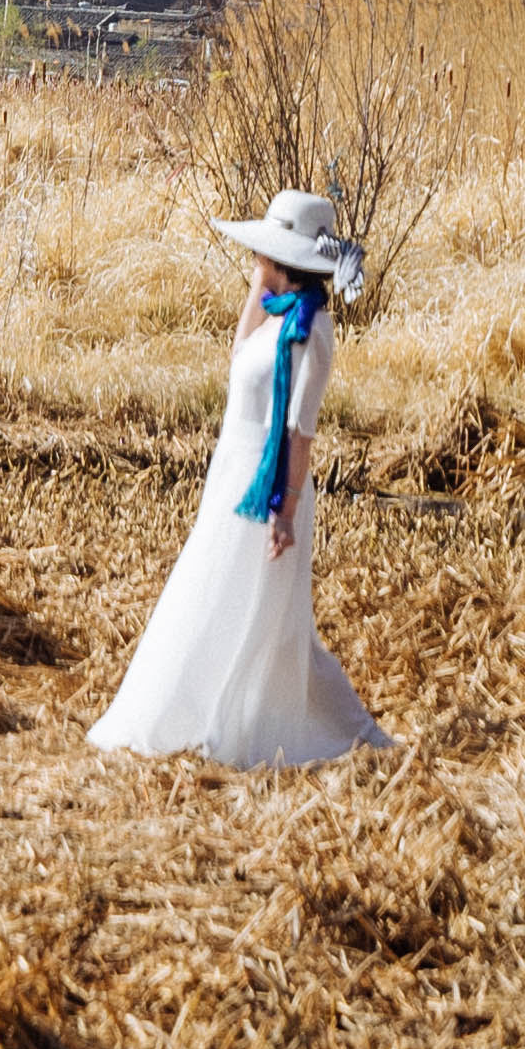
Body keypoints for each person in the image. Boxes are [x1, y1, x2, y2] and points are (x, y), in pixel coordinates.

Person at [88, 184, 390, 770]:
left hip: (272, 489)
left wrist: (286, 509)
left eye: (264, 254)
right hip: (235, 475)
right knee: (221, 599)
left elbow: (301, 430)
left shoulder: (313, 333)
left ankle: (330, 730)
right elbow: (238, 355)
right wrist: (259, 283)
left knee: (270, 626)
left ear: (288, 263)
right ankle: (202, 715)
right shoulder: (275, 316)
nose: (255, 259)